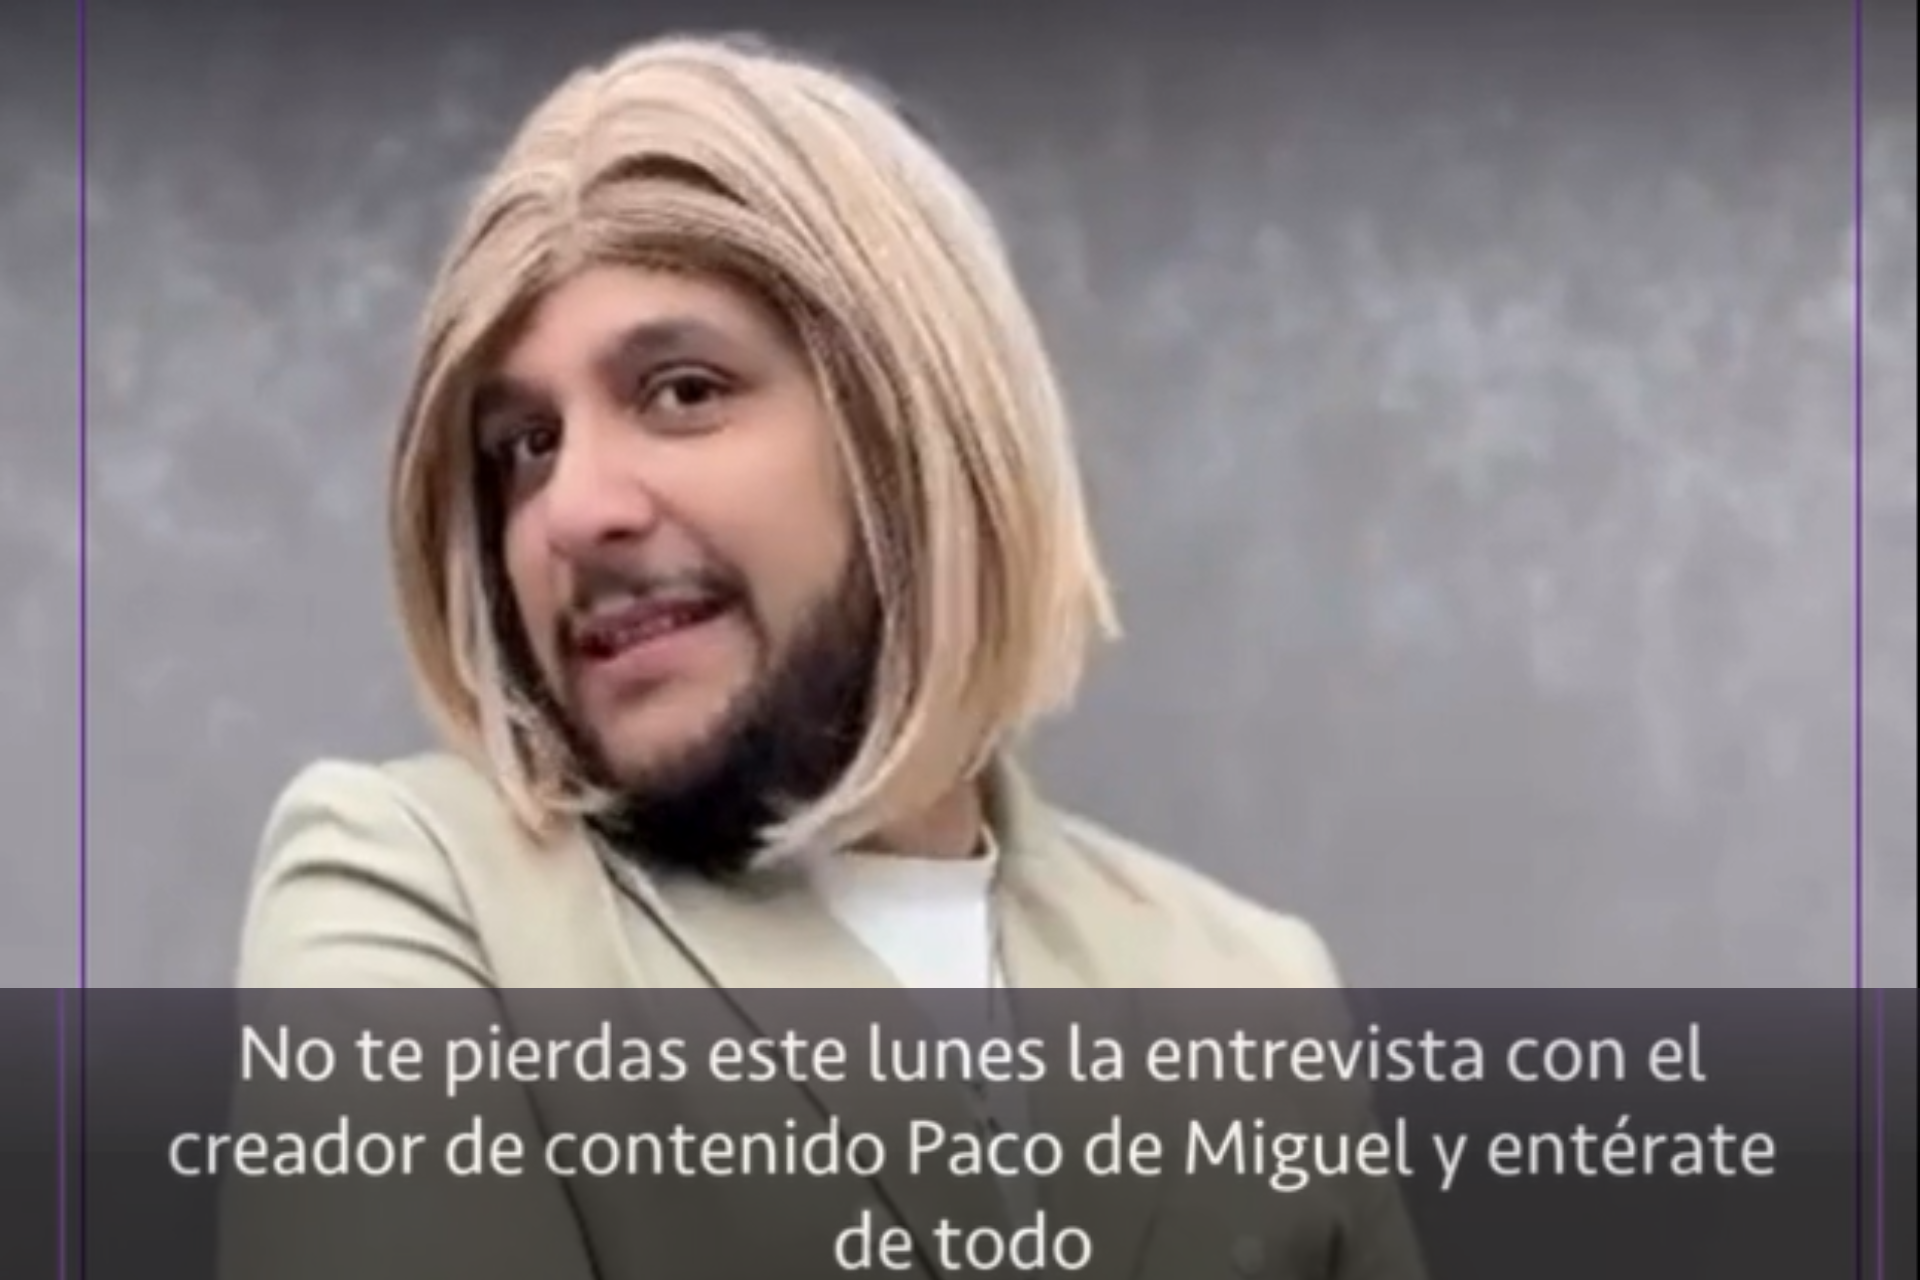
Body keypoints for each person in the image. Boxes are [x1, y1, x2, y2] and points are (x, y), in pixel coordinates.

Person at [227, 32, 1425, 1280]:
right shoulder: (418, 888)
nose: (572, 510)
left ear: (908, 426)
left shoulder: (1248, 984)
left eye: (682, 391)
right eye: (524, 443)